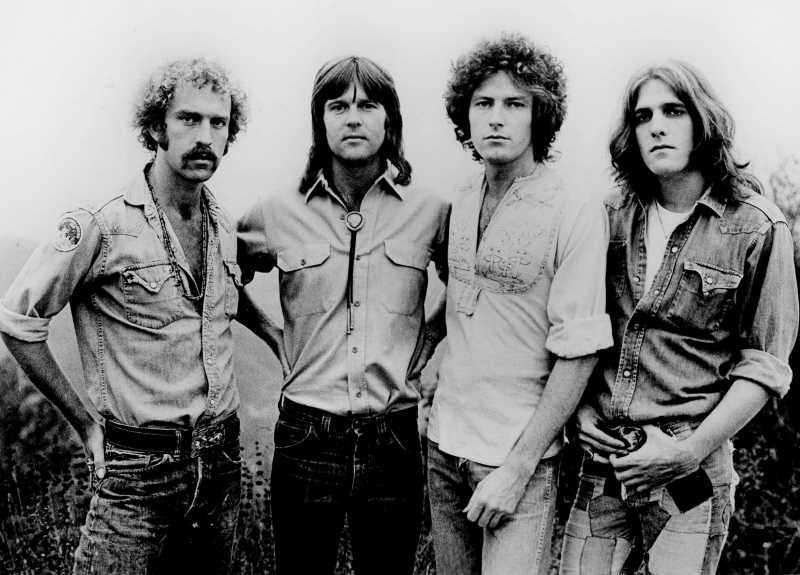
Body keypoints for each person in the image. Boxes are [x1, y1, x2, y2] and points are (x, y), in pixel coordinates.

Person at [0, 58, 259, 574]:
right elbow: (18, 321)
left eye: (219, 122)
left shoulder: (221, 222)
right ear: (156, 127)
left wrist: (275, 335)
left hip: (221, 467)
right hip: (138, 474)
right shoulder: (102, 221)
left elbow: (220, 298)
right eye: (189, 118)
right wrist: (84, 425)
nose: (205, 136)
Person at [560, 60, 799, 574]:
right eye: (643, 116)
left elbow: (764, 365)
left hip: (690, 473)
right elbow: (576, 330)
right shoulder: (609, 216)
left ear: (703, 121)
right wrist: (577, 412)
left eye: (673, 111)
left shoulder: (757, 228)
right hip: (604, 466)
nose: (657, 127)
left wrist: (689, 450)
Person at [237, 55, 449, 575]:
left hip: (394, 436)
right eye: (338, 106)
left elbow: (468, 278)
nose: (353, 118)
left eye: (367, 105)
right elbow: (220, 273)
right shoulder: (276, 212)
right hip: (306, 435)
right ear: (320, 120)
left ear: (389, 120)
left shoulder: (431, 211)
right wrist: (270, 333)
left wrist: (434, 330)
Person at [422, 34, 613, 575]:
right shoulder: (461, 198)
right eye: (483, 103)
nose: (496, 118)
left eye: (515, 104)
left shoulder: (572, 209)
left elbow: (580, 350)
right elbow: (463, 295)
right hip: (443, 444)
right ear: (465, 115)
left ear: (539, 116)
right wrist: (422, 364)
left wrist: (517, 469)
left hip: (516, 461)